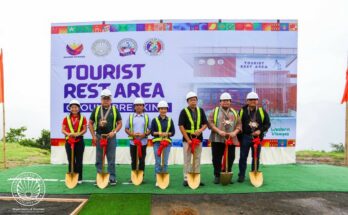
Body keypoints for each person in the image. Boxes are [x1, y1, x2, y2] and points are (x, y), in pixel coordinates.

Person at [88, 89, 122, 186]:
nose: (106, 100)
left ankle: (112, 177)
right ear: (101, 99)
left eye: (107, 98)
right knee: (99, 158)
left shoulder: (115, 110)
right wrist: (93, 136)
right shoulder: (97, 109)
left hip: (110, 137)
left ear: (110, 99)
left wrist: (114, 132)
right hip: (99, 137)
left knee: (111, 158)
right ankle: (99, 176)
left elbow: (119, 124)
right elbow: (90, 123)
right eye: (104, 98)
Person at [208, 92, 242, 184]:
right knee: (216, 158)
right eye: (223, 101)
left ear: (230, 102)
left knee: (231, 157)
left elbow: (239, 124)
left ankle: (227, 173)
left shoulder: (234, 112)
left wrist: (234, 132)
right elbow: (210, 123)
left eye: (227, 101)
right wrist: (219, 131)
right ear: (220, 102)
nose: (225, 102)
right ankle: (217, 175)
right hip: (217, 139)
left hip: (231, 139)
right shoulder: (214, 111)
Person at [237, 92, 271, 183]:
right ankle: (241, 175)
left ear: (257, 101)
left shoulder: (261, 111)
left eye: (255, 100)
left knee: (256, 157)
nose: (253, 101)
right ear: (247, 101)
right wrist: (240, 138)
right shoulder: (242, 111)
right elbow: (238, 124)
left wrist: (260, 131)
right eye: (251, 100)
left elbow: (267, 124)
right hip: (245, 137)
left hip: (257, 138)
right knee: (243, 157)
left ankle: (254, 173)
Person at [178, 92, 208, 187]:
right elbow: (181, 126)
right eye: (191, 100)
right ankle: (186, 178)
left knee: (197, 158)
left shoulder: (201, 111)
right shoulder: (183, 111)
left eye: (195, 100)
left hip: (198, 139)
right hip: (187, 140)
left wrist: (200, 130)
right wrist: (188, 140)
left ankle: (196, 177)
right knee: (187, 159)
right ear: (187, 101)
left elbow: (205, 124)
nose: (193, 102)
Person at [125, 98, 151, 182]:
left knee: (142, 159)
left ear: (143, 107)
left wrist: (144, 134)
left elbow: (150, 129)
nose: (139, 107)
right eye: (137, 105)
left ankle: (141, 176)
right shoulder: (131, 116)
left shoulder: (146, 117)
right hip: (133, 142)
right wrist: (132, 134)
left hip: (143, 142)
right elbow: (126, 129)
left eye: (140, 105)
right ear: (134, 107)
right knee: (133, 159)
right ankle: (133, 176)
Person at [61, 99, 87, 184]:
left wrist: (78, 134)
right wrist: (69, 134)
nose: (74, 109)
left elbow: (85, 129)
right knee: (71, 160)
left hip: (79, 141)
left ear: (79, 108)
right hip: (69, 142)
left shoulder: (83, 118)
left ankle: (79, 178)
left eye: (76, 107)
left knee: (79, 160)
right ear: (70, 108)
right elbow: (63, 130)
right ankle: (72, 175)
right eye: (72, 107)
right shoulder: (66, 118)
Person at [151, 100, 175, 187]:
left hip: (166, 143)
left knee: (164, 161)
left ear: (167, 110)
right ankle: (158, 179)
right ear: (158, 109)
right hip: (157, 143)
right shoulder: (155, 120)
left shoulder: (170, 120)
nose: (163, 110)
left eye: (164, 109)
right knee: (158, 161)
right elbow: (152, 132)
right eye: (161, 109)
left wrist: (167, 134)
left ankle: (164, 177)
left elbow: (173, 132)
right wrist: (159, 133)